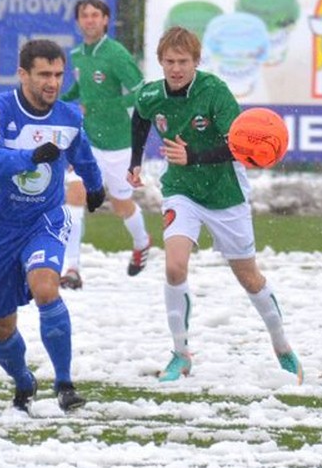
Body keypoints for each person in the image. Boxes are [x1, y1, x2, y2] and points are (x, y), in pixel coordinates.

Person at [127, 26, 302, 384]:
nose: (176, 69)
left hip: (225, 195)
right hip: (181, 190)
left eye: (184, 62)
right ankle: (181, 354)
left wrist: (193, 156)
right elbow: (141, 117)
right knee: (175, 268)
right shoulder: (150, 93)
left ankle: (283, 347)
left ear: (196, 62)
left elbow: (238, 147)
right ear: (160, 61)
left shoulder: (215, 92)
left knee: (249, 278)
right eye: (170, 62)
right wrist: (135, 161)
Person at [0, 39, 106, 413]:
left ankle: (64, 384)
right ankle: (23, 380)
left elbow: (81, 153)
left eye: (58, 74)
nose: (52, 82)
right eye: (43, 75)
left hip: (46, 219)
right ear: (23, 74)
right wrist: (29, 157)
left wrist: (95, 184)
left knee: (46, 288)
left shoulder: (69, 117)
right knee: (1, 327)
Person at [59, 0, 151, 290]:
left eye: (95, 15)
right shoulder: (77, 54)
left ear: (106, 20)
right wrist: (57, 104)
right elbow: (80, 89)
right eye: (84, 15)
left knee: (121, 203)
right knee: (74, 195)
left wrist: (100, 107)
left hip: (119, 143)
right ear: (78, 22)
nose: (89, 20)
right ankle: (71, 268)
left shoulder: (116, 54)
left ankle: (142, 241)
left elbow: (141, 92)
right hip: (87, 141)